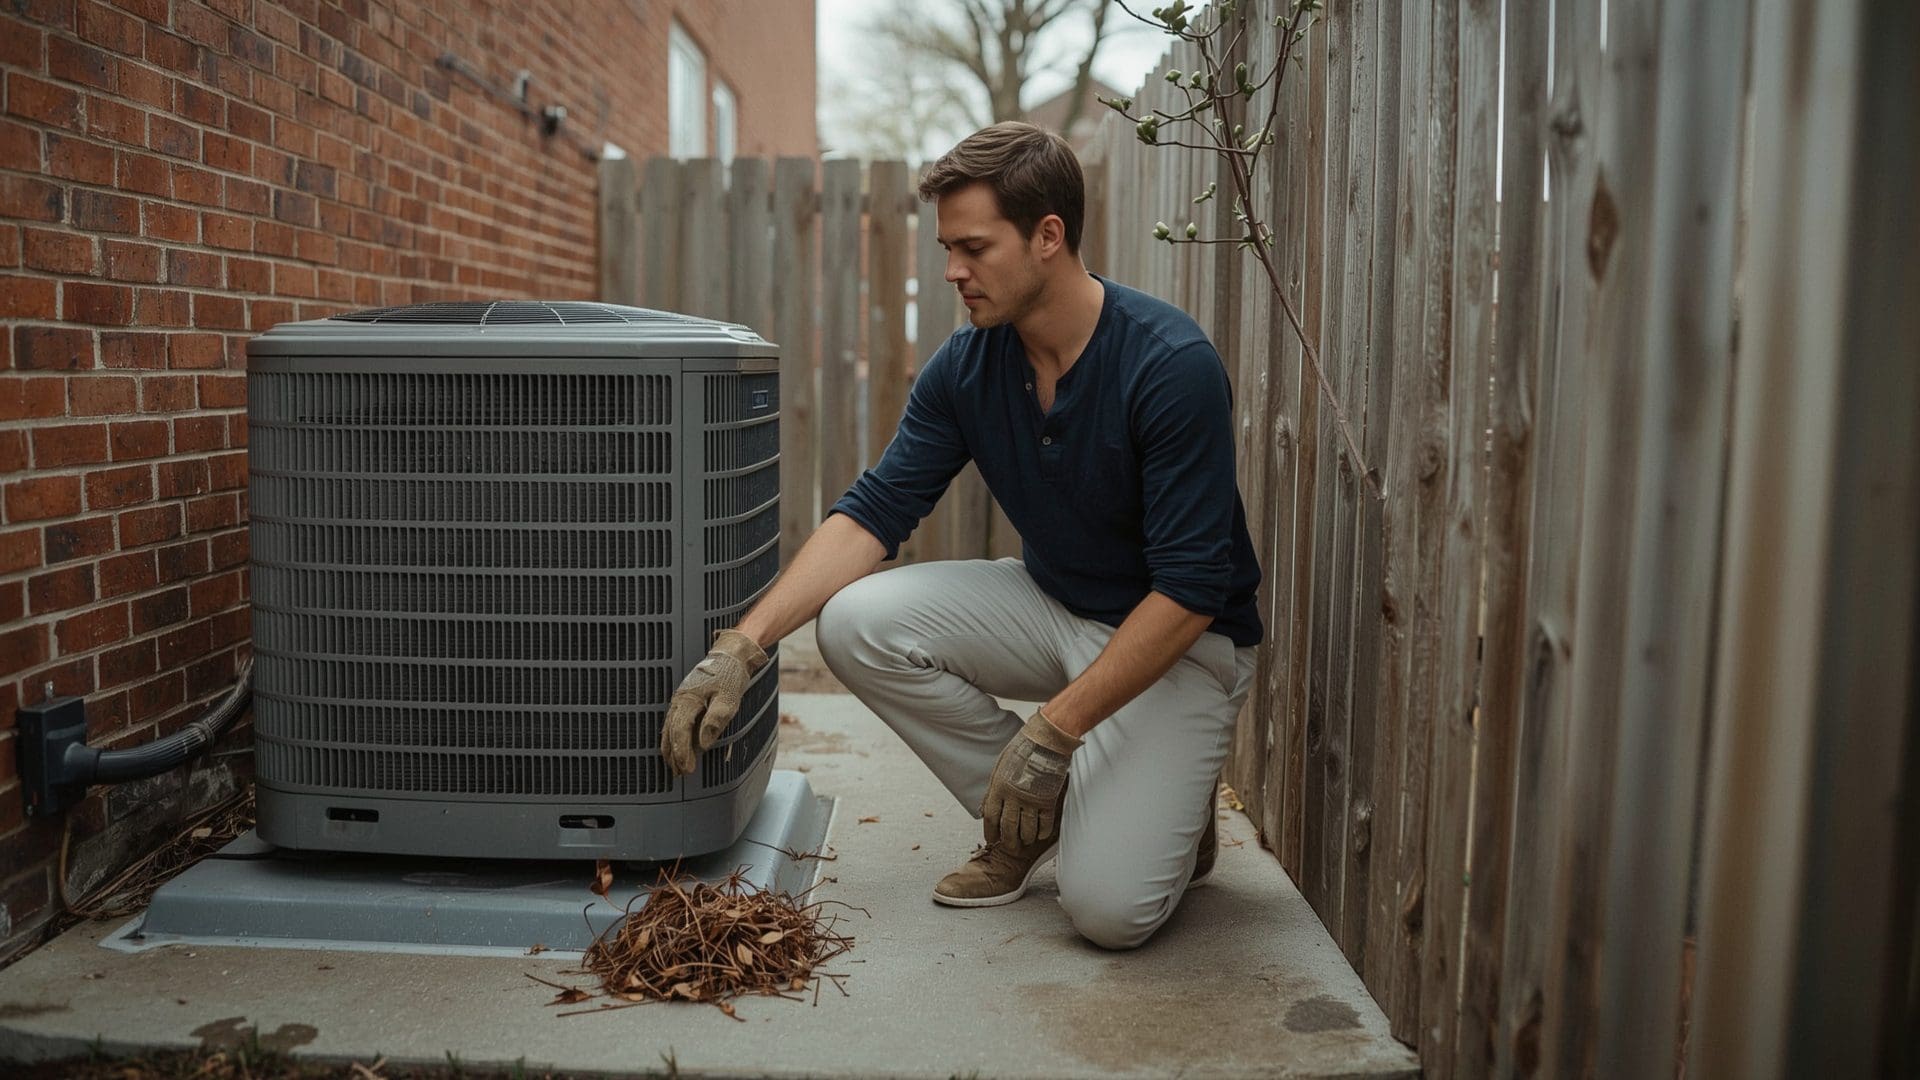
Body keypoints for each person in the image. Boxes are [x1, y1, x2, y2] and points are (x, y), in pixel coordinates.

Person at [662, 121, 1263, 950]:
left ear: (1048, 235)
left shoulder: (1168, 365)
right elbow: (877, 509)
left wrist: (1054, 729)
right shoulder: (969, 363)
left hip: (1175, 643)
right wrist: (745, 644)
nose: (952, 271)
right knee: (855, 621)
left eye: (974, 247)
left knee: (1108, 913)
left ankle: (1162, 816)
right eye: (949, 247)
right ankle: (1034, 820)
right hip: (1053, 604)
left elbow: (1194, 589)